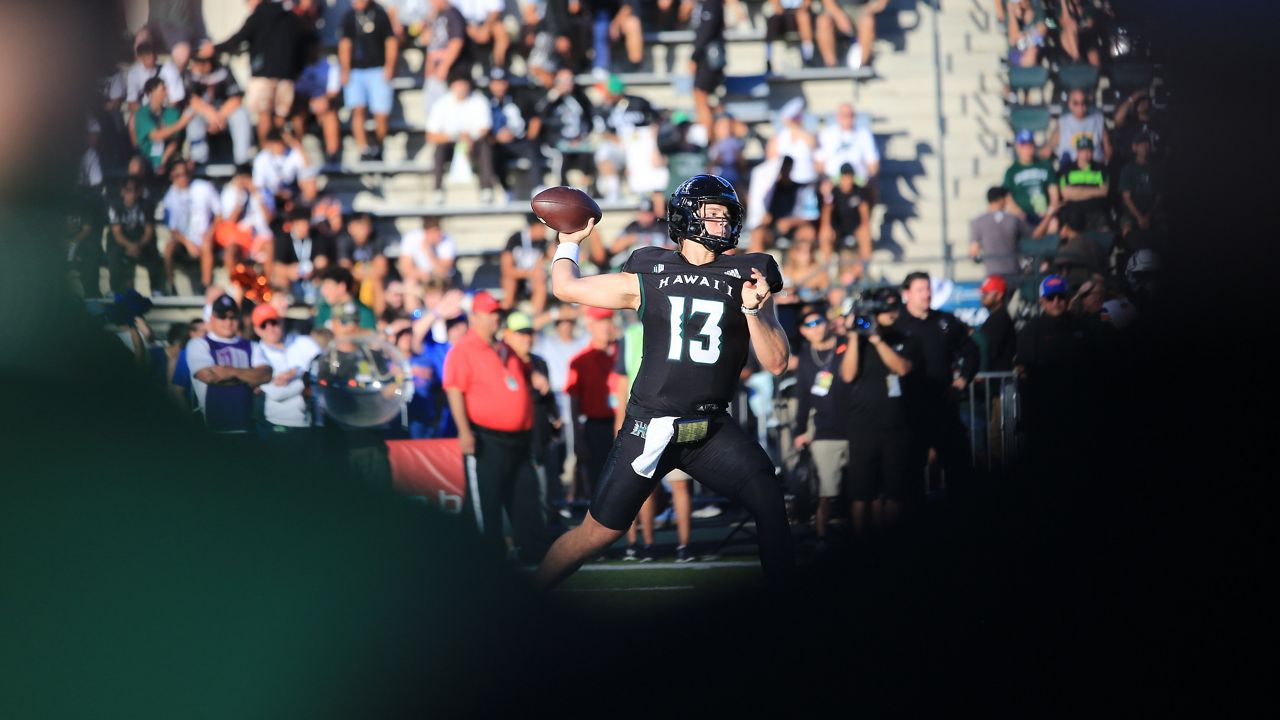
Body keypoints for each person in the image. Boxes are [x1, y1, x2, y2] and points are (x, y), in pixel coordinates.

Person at [534, 174, 795, 590]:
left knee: (767, 497)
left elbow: (778, 363)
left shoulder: (751, 271)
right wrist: (570, 240)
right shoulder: (650, 268)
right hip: (650, 425)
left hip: (709, 427)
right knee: (597, 535)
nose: (724, 223)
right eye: (713, 214)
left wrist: (753, 312)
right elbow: (566, 288)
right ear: (688, 219)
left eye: (728, 215)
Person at [443, 291, 549, 562]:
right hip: (486, 439)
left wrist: (534, 374)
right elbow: (454, 390)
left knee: (526, 499)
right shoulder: (463, 350)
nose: (496, 318)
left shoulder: (504, 348)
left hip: (519, 439)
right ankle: (484, 558)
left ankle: (534, 555)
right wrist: (464, 431)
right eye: (490, 314)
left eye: (497, 313)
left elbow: (520, 374)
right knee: (485, 504)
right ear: (475, 317)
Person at [837, 285, 917, 536]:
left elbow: (902, 369)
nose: (891, 313)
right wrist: (853, 335)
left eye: (894, 308)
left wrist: (876, 339)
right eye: (886, 309)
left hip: (895, 425)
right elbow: (847, 375)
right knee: (862, 493)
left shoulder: (904, 337)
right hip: (862, 426)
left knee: (894, 492)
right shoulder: (856, 341)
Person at [895, 271, 980, 499]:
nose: (926, 294)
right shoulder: (896, 324)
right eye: (920, 290)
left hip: (944, 407)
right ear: (907, 294)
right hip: (909, 411)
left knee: (959, 469)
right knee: (909, 475)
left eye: (928, 289)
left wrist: (962, 380)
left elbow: (971, 351)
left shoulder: (945, 321)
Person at [211, 0, 308, 145]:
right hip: (287, 76)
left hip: (262, 76)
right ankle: (279, 156)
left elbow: (238, 39)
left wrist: (214, 49)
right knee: (280, 118)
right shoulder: (292, 16)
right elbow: (301, 48)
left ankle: (268, 154)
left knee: (264, 116)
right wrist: (296, 71)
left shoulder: (259, 15)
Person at [792, 306, 846, 551]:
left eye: (820, 321)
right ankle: (821, 538)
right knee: (826, 492)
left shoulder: (846, 346)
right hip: (824, 431)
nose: (818, 327)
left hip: (856, 427)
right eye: (811, 325)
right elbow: (803, 397)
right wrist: (799, 431)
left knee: (861, 491)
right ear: (803, 331)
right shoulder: (805, 357)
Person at [187, 293, 272, 433]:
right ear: (212, 319)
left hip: (246, 429)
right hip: (212, 430)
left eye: (232, 317)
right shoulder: (199, 344)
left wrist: (230, 372)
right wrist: (250, 378)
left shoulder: (252, 346)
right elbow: (209, 377)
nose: (228, 322)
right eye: (222, 317)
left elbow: (266, 375)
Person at [564, 306, 619, 502]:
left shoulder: (623, 353)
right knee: (599, 479)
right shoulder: (580, 360)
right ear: (590, 326)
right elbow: (573, 402)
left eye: (608, 320)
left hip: (624, 421)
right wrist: (578, 438)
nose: (606, 326)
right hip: (596, 426)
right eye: (600, 321)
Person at [252, 302, 321, 450]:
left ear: (281, 321)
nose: (270, 328)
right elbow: (276, 393)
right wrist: (305, 380)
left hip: (309, 425)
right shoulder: (257, 352)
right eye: (264, 325)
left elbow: (323, 368)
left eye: (273, 322)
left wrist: (295, 373)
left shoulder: (302, 342)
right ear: (257, 329)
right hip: (278, 426)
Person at [340, 0, 399, 162]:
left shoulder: (380, 13)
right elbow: (345, 43)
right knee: (357, 110)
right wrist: (345, 70)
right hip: (355, 71)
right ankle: (363, 148)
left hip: (377, 69)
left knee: (381, 113)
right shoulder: (349, 16)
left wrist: (390, 65)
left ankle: (378, 146)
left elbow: (390, 40)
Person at [425, 77, 497, 205]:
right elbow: (430, 135)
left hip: (474, 143)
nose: (461, 88)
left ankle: (487, 189)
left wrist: (469, 139)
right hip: (451, 144)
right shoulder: (442, 103)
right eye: (458, 84)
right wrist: (455, 137)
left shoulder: (479, 101)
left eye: (464, 84)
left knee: (485, 146)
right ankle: (438, 190)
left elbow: (485, 129)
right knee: (439, 150)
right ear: (451, 86)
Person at [184, 42, 253, 165]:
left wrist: (218, 117)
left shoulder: (223, 71)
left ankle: (242, 162)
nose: (195, 65)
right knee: (191, 117)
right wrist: (211, 116)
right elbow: (192, 100)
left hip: (223, 115)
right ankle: (199, 160)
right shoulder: (191, 74)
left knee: (241, 114)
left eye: (199, 61)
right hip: (205, 115)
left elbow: (236, 98)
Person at [161, 160, 221, 294]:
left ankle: (205, 285)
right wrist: (188, 243)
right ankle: (170, 286)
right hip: (184, 240)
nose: (183, 178)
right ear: (172, 176)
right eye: (178, 175)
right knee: (168, 247)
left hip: (205, 236)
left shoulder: (204, 187)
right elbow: (172, 228)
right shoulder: (169, 197)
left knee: (206, 243)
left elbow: (219, 214)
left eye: (185, 173)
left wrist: (210, 232)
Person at [107, 179, 164, 295]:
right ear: (122, 191)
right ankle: (114, 289)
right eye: (128, 191)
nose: (132, 194)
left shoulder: (146, 205)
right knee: (114, 253)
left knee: (153, 251)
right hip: (122, 241)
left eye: (135, 191)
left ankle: (156, 289)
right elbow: (117, 233)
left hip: (140, 239)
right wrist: (130, 246)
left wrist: (137, 245)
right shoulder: (115, 206)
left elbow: (148, 232)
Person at [969, 186, 1034, 282]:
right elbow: (1034, 234)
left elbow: (974, 252)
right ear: (1002, 200)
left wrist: (987, 258)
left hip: (992, 274)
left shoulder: (978, 221)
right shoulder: (1013, 219)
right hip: (1013, 272)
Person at [134, 76, 193, 173]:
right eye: (163, 89)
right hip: (147, 157)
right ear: (151, 92)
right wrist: (181, 123)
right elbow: (156, 135)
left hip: (168, 155)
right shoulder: (142, 113)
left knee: (185, 167)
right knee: (135, 166)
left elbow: (174, 141)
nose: (166, 92)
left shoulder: (172, 113)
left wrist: (164, 159)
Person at [1044, 88, 1111, 169]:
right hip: (1071, 171)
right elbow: (1048, 150)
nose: (1080, 106)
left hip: (1095, 169)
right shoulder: (1063, 123)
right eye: (1076, 103)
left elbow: (1108, 150)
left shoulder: (1099, 120)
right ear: (1069, 104)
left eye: (1084, 102)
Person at [1058, 136, 1110, 232]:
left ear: (1093, 151)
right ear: (1078, 152)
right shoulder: (1067, 170)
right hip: (1074, 214)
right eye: (1083, 150)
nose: (1086, 154)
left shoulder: (1101, 169)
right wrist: (1094, 191)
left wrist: (1076, 192)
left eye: (1089, 150)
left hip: (1096, 213)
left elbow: (1104, 191)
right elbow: (1065, 194)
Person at [500, 213, 550, 312]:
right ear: (534, 226)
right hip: (516, 277)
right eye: (543, 227)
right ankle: (506, 312)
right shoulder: (515, 239)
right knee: (510, 281)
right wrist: (529, 273)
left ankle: (535, 317)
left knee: (540, 280)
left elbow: (542, 264)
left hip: (532, 279)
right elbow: (506, 269)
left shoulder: (543, 243)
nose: (545, 230)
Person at [314, 265, 377, 330]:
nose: (323, 292)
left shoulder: (364, 313)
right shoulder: (325, 309)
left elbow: (372, 335)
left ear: (341, 287)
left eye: (327, 287)